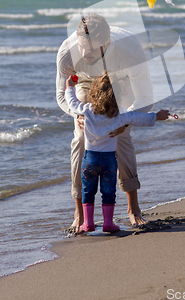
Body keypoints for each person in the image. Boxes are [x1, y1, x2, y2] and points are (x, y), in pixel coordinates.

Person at [56, 13, 154, 231]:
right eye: (82, 47)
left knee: (120, 135)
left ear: (107, 43)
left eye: (92, 49)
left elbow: (146, 98)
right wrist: (78, 115)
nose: (85, 53)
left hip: (119, 80)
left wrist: (124, 123)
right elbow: (62, 96)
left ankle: (133, 208)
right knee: (82, 136)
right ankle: (79, 212)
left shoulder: (129, 51)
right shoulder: (68, 54)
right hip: (84, 81)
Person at [65, 72, 170, 233]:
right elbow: (138, 118)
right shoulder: (119, 117)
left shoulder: (85, 111)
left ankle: (87, 223)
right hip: (109, 162)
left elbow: (72, 103)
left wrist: (69, 87)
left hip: (90, 160)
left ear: (92, 95)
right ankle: (108, 223)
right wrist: (157, 116)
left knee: (88, 191)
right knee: (108, 193)